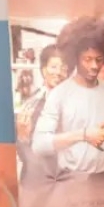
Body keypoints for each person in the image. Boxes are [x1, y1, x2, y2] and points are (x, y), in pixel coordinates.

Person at [31, 17, 104, 180]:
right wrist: (83, 135)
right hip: (76, 181)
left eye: (99, 60)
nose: (94, 66)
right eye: (88, 59)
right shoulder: (60, 94)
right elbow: (40, 145)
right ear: (75, 58)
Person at [16, 44, 67, 185]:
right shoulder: (31, 103)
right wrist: (22, 137)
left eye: (63, 68)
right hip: (37, 181)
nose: (59, 72)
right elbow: (23, 152)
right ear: (44, 70)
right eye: (54, 67)